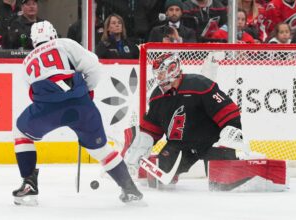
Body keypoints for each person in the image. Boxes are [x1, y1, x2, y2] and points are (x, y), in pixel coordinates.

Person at [12, 20, 143, 206]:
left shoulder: (27, 61)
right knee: (101, 150)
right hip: (80, 105)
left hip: (48, 110)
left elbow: (33, 93)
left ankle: (29, 185)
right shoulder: (64, 43)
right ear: (53, 34)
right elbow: (94, 67)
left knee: (21, 133)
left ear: (33, 40)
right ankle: (131, 191)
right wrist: (84, 93)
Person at [122, 52, 246, 183]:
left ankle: (241, 168)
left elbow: (229, 112)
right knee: (157, 179)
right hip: (179, 145)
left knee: (222, 182)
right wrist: (140, 146)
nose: (158, 77)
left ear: (173, 69)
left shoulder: (199, 84)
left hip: (211, 143)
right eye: (157, 73)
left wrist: (227, 140)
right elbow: (151, 130)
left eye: (161, 72)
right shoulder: (157, 96)